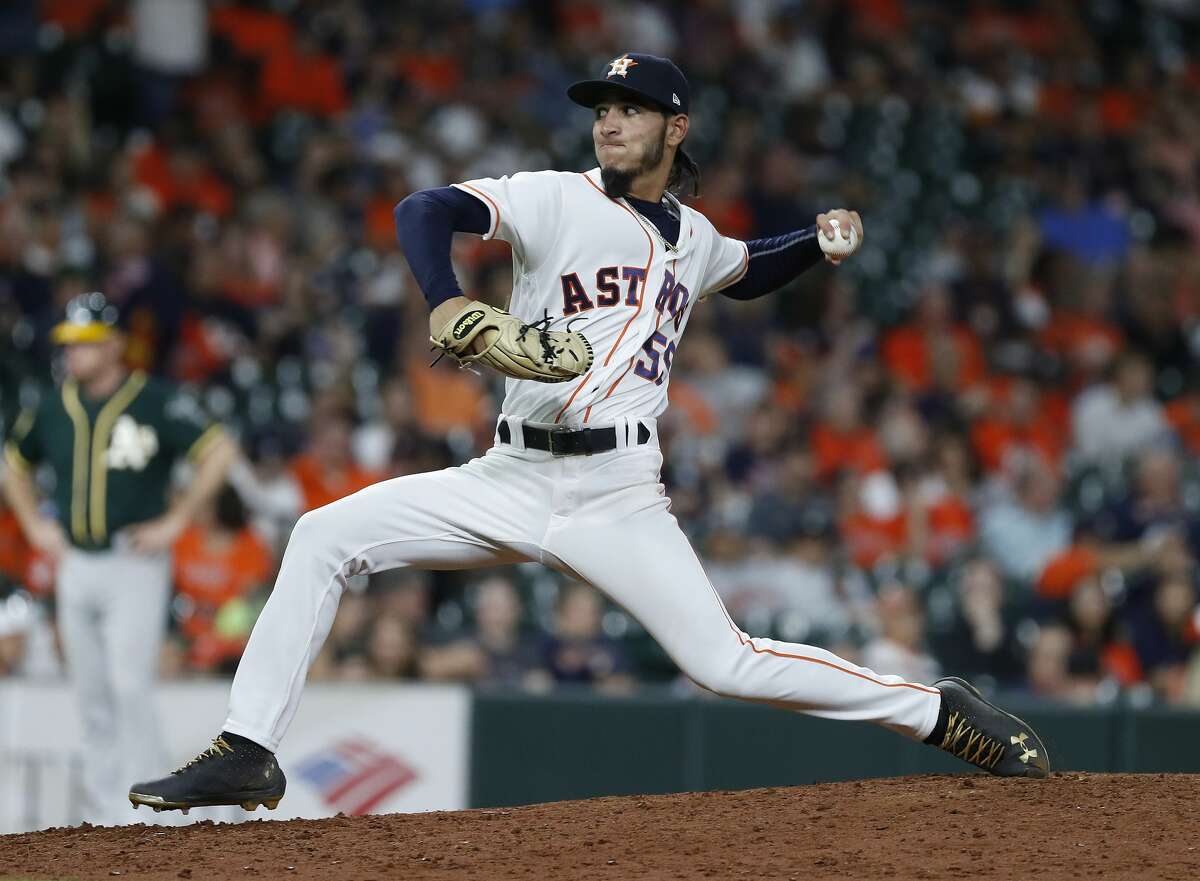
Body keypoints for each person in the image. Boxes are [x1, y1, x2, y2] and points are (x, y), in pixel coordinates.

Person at [130, 53, 1048, 815]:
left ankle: (937, 711)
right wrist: (449, 300)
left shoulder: (691, 236)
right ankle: (249, 747)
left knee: (724, 662)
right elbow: (425, 210)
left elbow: (742, 268)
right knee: (322, 532)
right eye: (602, 107)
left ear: (675, 129)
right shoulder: (552, 198)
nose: (609, 121)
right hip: (507, 475)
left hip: (615, 496)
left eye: (632, 109)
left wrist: (813, 240)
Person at [2, 292, 237, 824]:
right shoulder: (52, 404)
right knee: (90, 693)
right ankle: (104, 816)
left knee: (130, 687)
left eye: (84, 344)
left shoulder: (151, 398)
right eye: (69, 344)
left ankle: (149, 816)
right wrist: (36, 526)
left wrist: (176, 520)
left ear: (114, 345)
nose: (73, 354)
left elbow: (219, 450)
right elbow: (12, 464)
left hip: (133, 560)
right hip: (77, 563)